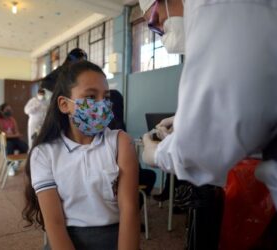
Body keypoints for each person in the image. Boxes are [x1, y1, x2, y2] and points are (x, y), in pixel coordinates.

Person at [139, 0, 277, 208]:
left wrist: (157, 154)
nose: (159, 29)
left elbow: (205, 146)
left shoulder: (208, 5)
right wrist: (185, 120)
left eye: (154, 20)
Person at [23, 61, 140, 250]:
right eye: (91, 97)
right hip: (67, 240)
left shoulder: (120, 142)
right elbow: (54, 224)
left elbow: (130, 210)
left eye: (106, 97)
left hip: (115, 238)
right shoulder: (44, 154)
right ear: (64, 104)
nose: (101, 104)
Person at [0, 103, 28, 176]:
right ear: (2, 111)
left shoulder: (12, 119)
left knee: (24, 146)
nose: (10, 111)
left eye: (10, 109)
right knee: (9, 147)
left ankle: (17, 163)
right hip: (4, 140)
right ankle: (9, 166)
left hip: (13, 138)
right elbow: (0, 133)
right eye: (7, 109)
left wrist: (16, 134)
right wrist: (11, 135)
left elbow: (16, 131)